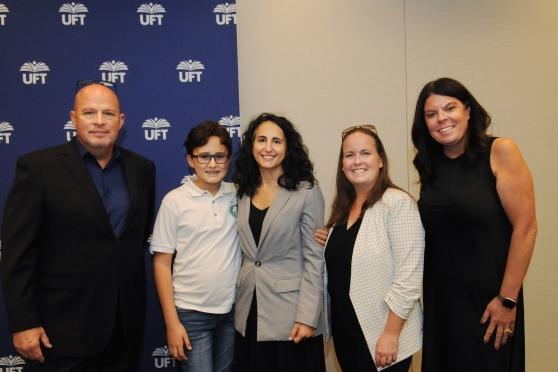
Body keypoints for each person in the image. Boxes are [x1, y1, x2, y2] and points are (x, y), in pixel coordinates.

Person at [0, 80, 156, 371]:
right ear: (73, 118)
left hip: (124, 328)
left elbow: (134, 240)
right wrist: (23, 322)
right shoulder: (38, 168)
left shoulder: (143, 170)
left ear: (121, 121)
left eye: (108, 114)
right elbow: (16, 253)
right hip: (61, 330)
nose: (99, 121)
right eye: (89, 113)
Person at [411, 77, 537, 372]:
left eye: (449, 108)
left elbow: (526, 228)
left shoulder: (500, 151)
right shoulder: (429, 165)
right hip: (442, 303)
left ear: (467, 110)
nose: (441, 118)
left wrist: (507, 299)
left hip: (490, 303)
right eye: (431, 114)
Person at [322, 124, 424, 371]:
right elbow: (351, 257)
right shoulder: (342, 211)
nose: (357, 161)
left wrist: (391, 334)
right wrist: (328, 239)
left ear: (380, 160)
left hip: (383, 336)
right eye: (349, 155)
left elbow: (408, 279)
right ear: (342, 165)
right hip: (347, 334)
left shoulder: (397, 204)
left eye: (365, 153)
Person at [232, 113, 326, 372]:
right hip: (249, 310)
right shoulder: (242, 191)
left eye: (276, 141)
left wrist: (308, 317)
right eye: (261, 140)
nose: (268, 148)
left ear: (288, 147)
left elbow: (314, 259)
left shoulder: (307, 191)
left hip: (291, 314)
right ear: (251, 146)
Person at [150, 121, 241, 372]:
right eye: (203, 157)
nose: (212, 164)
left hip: (231, 311)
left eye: (219, 156)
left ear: (229, 159)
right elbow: (161, 263)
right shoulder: (175, 201)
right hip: (191, 314)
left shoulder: (238, 194)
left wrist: (319, 233)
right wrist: (172, 323)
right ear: (191, 160)